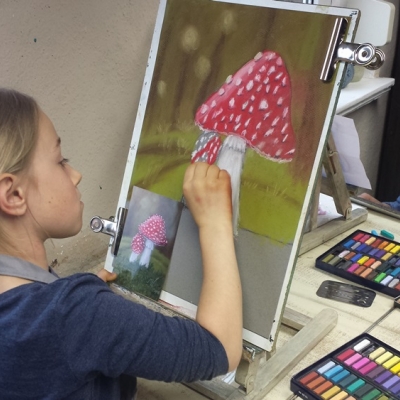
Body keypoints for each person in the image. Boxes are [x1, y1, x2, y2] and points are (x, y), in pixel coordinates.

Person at [0, 88, 243, 399]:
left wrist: (86, 305)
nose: (76, 175)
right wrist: (215, 222)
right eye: (61, 161)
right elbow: (219, 348)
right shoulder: (78, 315)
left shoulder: (59, 311)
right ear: (13, 195)